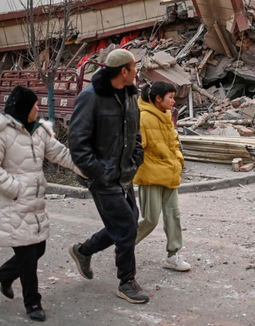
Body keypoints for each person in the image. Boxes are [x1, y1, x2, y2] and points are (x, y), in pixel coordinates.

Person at [67, 49, 149, 304]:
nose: (137, 72)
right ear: (123, 71)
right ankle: (126, 281)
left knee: (129, 222)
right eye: (134, 68)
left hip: (124, 175)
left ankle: (83, 250)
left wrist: (137, 157)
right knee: (126, 227)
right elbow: (77, 145)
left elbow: (134, 131)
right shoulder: (90, 97)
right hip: (102, 179)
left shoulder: (128, 95)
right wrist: (99, 173)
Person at [0, 86, 83, 322]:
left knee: (39, 249)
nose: (39, 108)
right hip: (14, 203)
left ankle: (4, 276)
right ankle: (32, 303)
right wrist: (15, 188)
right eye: (35, 104)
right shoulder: (3, 132)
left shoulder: (39, 132)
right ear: (24, 108)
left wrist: (86, 169)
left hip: (35, 204)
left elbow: (61, 154)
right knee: (27, 258)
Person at [134, 82, 190, 271]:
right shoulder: (143, 118)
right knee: (150, 219)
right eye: (171, 97)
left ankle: (173, 255)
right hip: (151, 176)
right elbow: (136, 148)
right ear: (158, 98)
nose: (174, 101)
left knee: (173, 215)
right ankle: (125, 246)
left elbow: (174, 142)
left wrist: (178, 160)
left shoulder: (166, 115)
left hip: (169, 172)